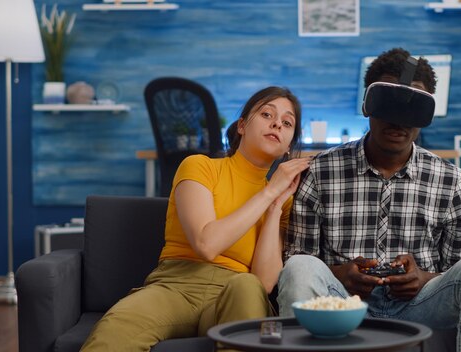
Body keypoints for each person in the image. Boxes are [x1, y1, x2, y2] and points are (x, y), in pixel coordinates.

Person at [278, 48, 461, 351]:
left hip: (421, 305)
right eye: (389, 103)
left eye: (412, 106)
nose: (398, 121)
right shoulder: (321, 170)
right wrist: (343, 274)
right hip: (341, 302)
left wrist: (422, 277)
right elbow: (299, 260)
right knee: (299, 268)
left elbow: (459, 271)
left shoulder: (452, 180)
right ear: (369, 103)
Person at [81, 86, 311, 351]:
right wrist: (270, 190)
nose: (276, 125)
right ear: (242, 126)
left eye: (287, 122)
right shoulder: (199, 166)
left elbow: (265, 281)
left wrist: (273, 207)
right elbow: (206, 244)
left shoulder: (283, 203)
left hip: (234, 293)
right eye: (266, 114)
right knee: (115, 329)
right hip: (176, 286)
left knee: (248, 286)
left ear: (288, 148)